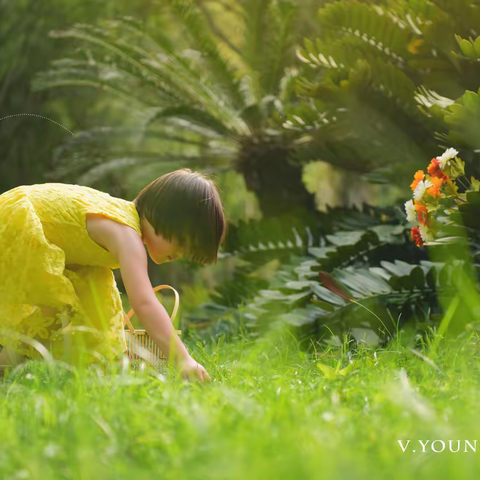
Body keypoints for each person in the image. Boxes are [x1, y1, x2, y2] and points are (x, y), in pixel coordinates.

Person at [0, 168, 226, 382]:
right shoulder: (127, 235)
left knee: (68, 307)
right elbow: (144, 302)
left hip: (29, 223)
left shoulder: (119, 219)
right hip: (18, 222)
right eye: (183, 242)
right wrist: (183, 360)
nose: (181, 254)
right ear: (165, 218)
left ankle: (4, 368)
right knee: (61, 303)